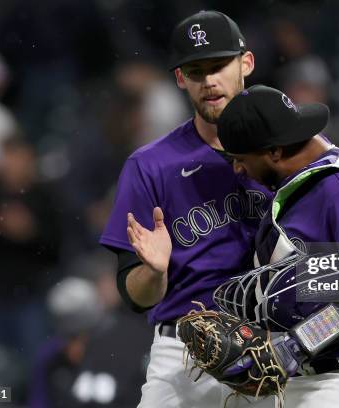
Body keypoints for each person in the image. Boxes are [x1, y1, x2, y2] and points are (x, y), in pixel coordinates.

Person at [99, 10, 272, 408]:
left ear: (245, 63)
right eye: (195, 71)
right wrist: (154, 271)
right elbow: (136, 296)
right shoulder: (150, 165)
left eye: (218, 66)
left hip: (273, 346)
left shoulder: (289, 150)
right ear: (180, 79)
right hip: (184, 355)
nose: (209, 81)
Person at [214, 85, 339, 407]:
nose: (237, 168)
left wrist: (299, 343)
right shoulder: (306, 187)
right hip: (319, 382)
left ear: (276, 152)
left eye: (241, 157)